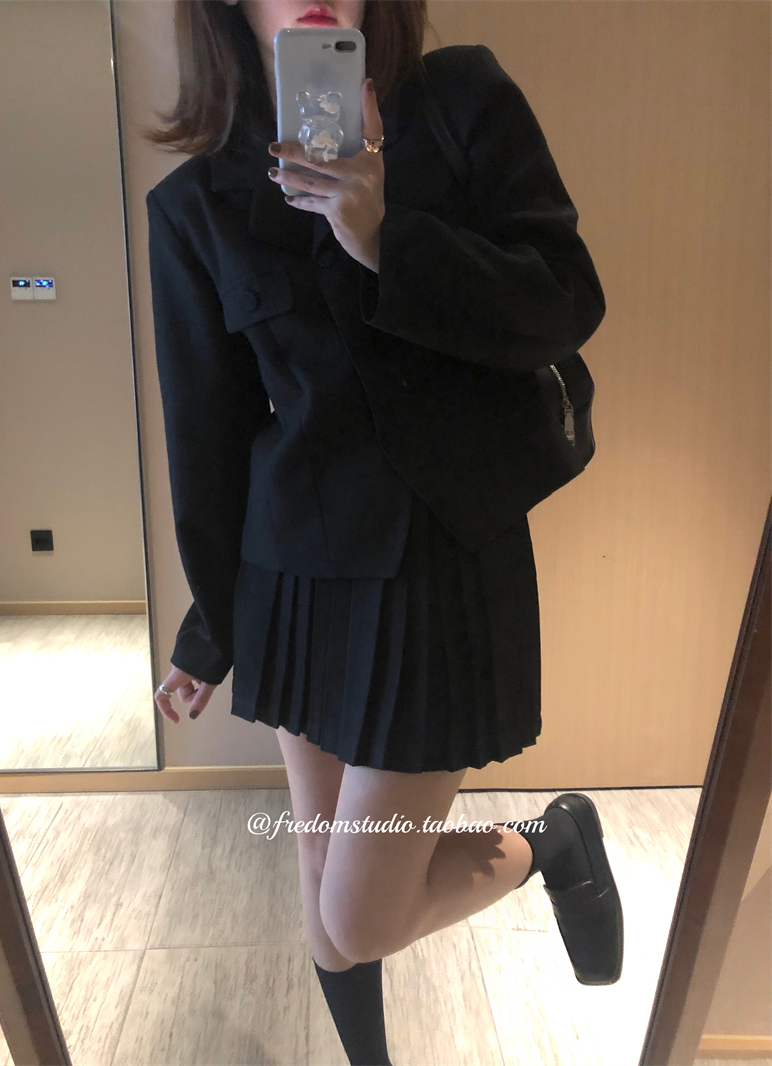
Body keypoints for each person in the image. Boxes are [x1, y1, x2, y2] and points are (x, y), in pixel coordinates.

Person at [145, 2, 623, 1063]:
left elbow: (565, 303)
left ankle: (552, 840)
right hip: (290, 572)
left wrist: (385, 239)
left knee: (358, 916)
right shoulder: (195, 201)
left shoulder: (459, 105)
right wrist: (211, 631)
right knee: (325, 904)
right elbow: (209, 442)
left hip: (436, 560)